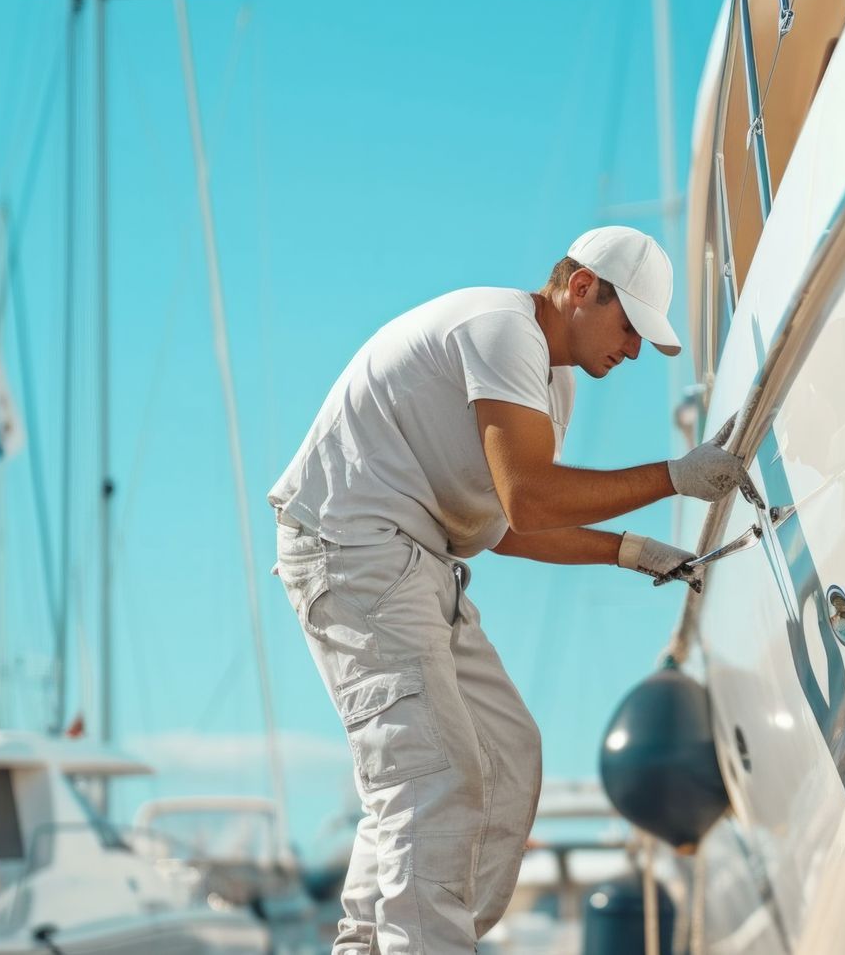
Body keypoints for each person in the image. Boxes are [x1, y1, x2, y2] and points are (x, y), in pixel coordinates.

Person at [268, 225, 747, 954]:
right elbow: (530, 498)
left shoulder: (549, 382)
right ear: (580, 287)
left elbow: (501, 523)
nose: (635, 350)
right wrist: (674, 476)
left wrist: (628, 551)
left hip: (415, 559)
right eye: (629, 326)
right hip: (353, 549)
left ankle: (397, 944)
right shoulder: (502, 331)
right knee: (432, 772)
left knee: (507, 753)